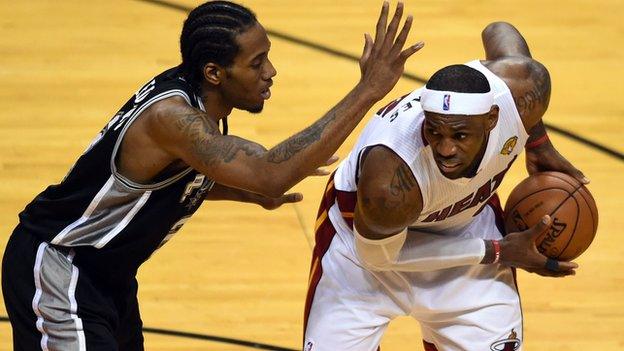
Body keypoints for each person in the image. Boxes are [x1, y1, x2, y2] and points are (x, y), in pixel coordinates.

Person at [1, 1, 423, 350]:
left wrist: (243, 192)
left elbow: (173, 180)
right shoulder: (171, 118)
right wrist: (369, 89)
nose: (270, 71)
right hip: (62, 265)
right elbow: (269, 173)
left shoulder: (199, 105)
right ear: (214, 73)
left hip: (110, 275)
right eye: (256, 63)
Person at [303, 21, 588, 351]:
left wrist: (537, 142)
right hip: (362, 253)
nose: (445, 148)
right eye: (435, 131)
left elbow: (499, 30)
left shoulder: (523, 89)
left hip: (465, 230)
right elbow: (379, 258)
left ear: (493, 118)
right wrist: (497, 251)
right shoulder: (391, 181)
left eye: (460, 135)